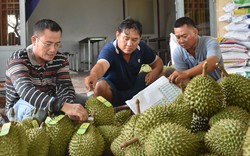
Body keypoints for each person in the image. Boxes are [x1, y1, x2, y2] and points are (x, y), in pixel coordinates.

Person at [5, 19, 88, 123]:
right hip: (21, 105)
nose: (53, 49)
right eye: (48, 44)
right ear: (34, 40)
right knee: (40, 111)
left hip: (52, 99)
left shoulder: (60, 59)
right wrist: (62, 106)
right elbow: (26, 91)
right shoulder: (18, 59)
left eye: (57, 44)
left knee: (89, 101)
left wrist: (70, 107)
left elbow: (65, 87)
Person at [84, 18, 163, 106]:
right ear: (117, 35)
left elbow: (158, 62)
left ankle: (146, 105)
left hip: (134, 90)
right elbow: (101, 65)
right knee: (100, 86)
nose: (129, 44)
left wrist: (155, 72)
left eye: (134, 40)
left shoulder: (141, 48)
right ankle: (113, 109)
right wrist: (93, 75)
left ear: (140, 38)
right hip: (113, 92)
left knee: (161, 75)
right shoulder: (110, 49)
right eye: (126, 39)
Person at [168, 17, 223, 87]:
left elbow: (212, 62)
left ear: (195, 32)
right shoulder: (178, 52)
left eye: (184, 36)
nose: (181, 41)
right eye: (178, 37)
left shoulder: (210, 42)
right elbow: (183, 79)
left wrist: (185, 73)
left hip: (218, 86)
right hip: (196, 90)